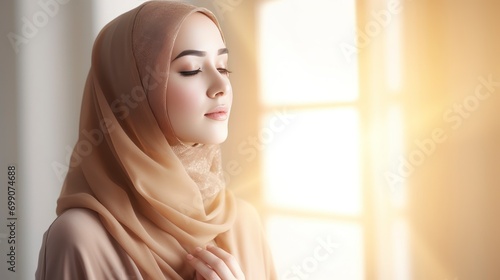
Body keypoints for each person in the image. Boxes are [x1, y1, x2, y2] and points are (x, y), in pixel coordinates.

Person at [35, 1, 277, 279]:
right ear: (131, 86)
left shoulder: (243, 224)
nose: (221, 86)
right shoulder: (79, 239)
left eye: (223, 68)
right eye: (191, 69)